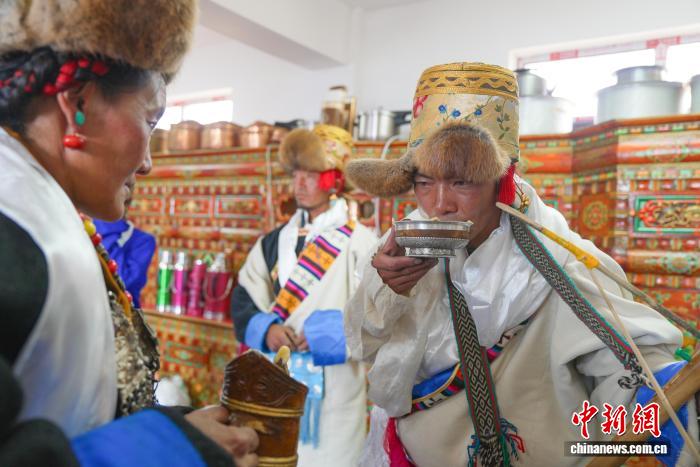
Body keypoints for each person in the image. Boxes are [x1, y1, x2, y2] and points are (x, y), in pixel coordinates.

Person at [344, 62, 698, 467]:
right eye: (424, 182)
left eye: (461, 181)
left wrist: (673, 392)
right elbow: (361, 345)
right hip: (406, 453)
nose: (440, 204)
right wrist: (388, 290)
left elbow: (636, 371)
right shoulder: (398, 248)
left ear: (502, 179)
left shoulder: (560, 263)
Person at [0, 1, 257, 466]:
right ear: (77, 104)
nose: (148, 163)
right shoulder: (12, 225)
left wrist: (174, 429)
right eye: (149, 121)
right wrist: (163, 449)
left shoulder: (39, 205)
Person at [230, 124, 378, 467]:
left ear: (333, 180)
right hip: (276, 379)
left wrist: (331, 334)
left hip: (336, 389)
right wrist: (267, 329)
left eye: (310, 176)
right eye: (296, 175)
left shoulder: (362, 243)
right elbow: (244, 296)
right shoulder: (272, 242)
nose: (299, 184)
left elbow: (381, 311)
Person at [94, 198, 157, 308]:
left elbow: (123, 283)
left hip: (122, 313)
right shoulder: (86, 229)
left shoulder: (143, 240)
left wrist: (118, 234)